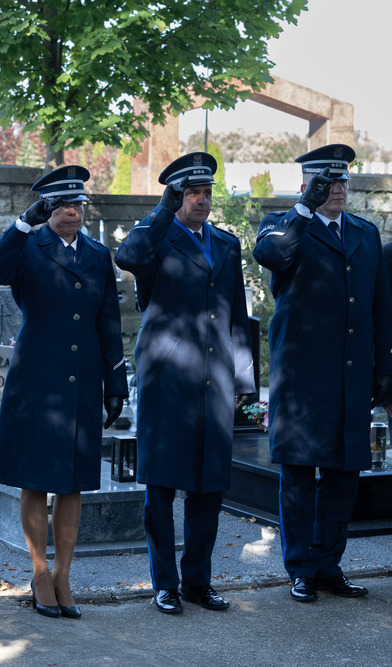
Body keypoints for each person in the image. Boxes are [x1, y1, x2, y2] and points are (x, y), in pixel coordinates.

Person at [0, 165, 128, 619]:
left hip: (82, 380)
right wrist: (23, 223)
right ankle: (40, 571)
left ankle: (64, 573)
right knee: (36, 478)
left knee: (73, 481)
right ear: (46, 209)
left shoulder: (98, 254)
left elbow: (108, 321)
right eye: (62, 205)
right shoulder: (28, 245)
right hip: (37, 379)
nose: (72, 212)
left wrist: (115, 383)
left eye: (77, 204)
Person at [114, 152, 254, 615]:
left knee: (209, 488)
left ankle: (198, 581)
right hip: (168, 378)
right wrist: (162, 209)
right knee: (161, 486)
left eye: (206, 192)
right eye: (192, 192)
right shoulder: (156, 236)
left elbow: (236, 313)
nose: (201, 200)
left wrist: (243, 376)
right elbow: (128, 257)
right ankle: (165, 584)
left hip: (214, 380)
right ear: (176, 197)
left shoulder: (226, 244)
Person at [253, 144, 392, 603]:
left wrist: (385, 369)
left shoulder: (365, 233)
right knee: (298, 475)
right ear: (306, 186)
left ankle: (329, 565)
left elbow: (380, 308)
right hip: (302, 378)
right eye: (325, 182)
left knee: (343, 475)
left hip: (351, 375)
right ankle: (300, 568)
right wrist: (303, 209)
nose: (337, 189)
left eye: (342, 181)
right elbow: (271, 256)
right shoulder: (282, 225)